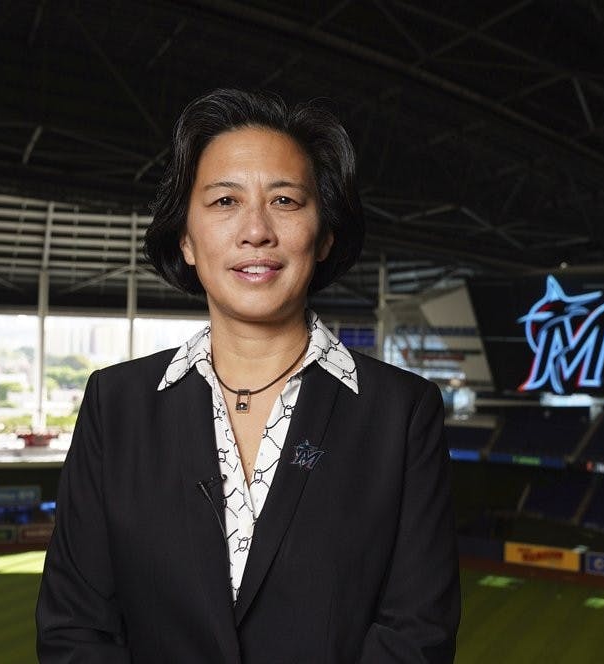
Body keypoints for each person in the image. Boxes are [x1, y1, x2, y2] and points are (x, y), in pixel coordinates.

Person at [35, 89, 460, 663]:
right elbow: (73, 632)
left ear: (326, 234)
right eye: (224, 201)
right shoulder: (116, 405)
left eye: (285, 200)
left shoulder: (402, 412)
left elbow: (418, 636)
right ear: (185, 238)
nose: (255, 230)